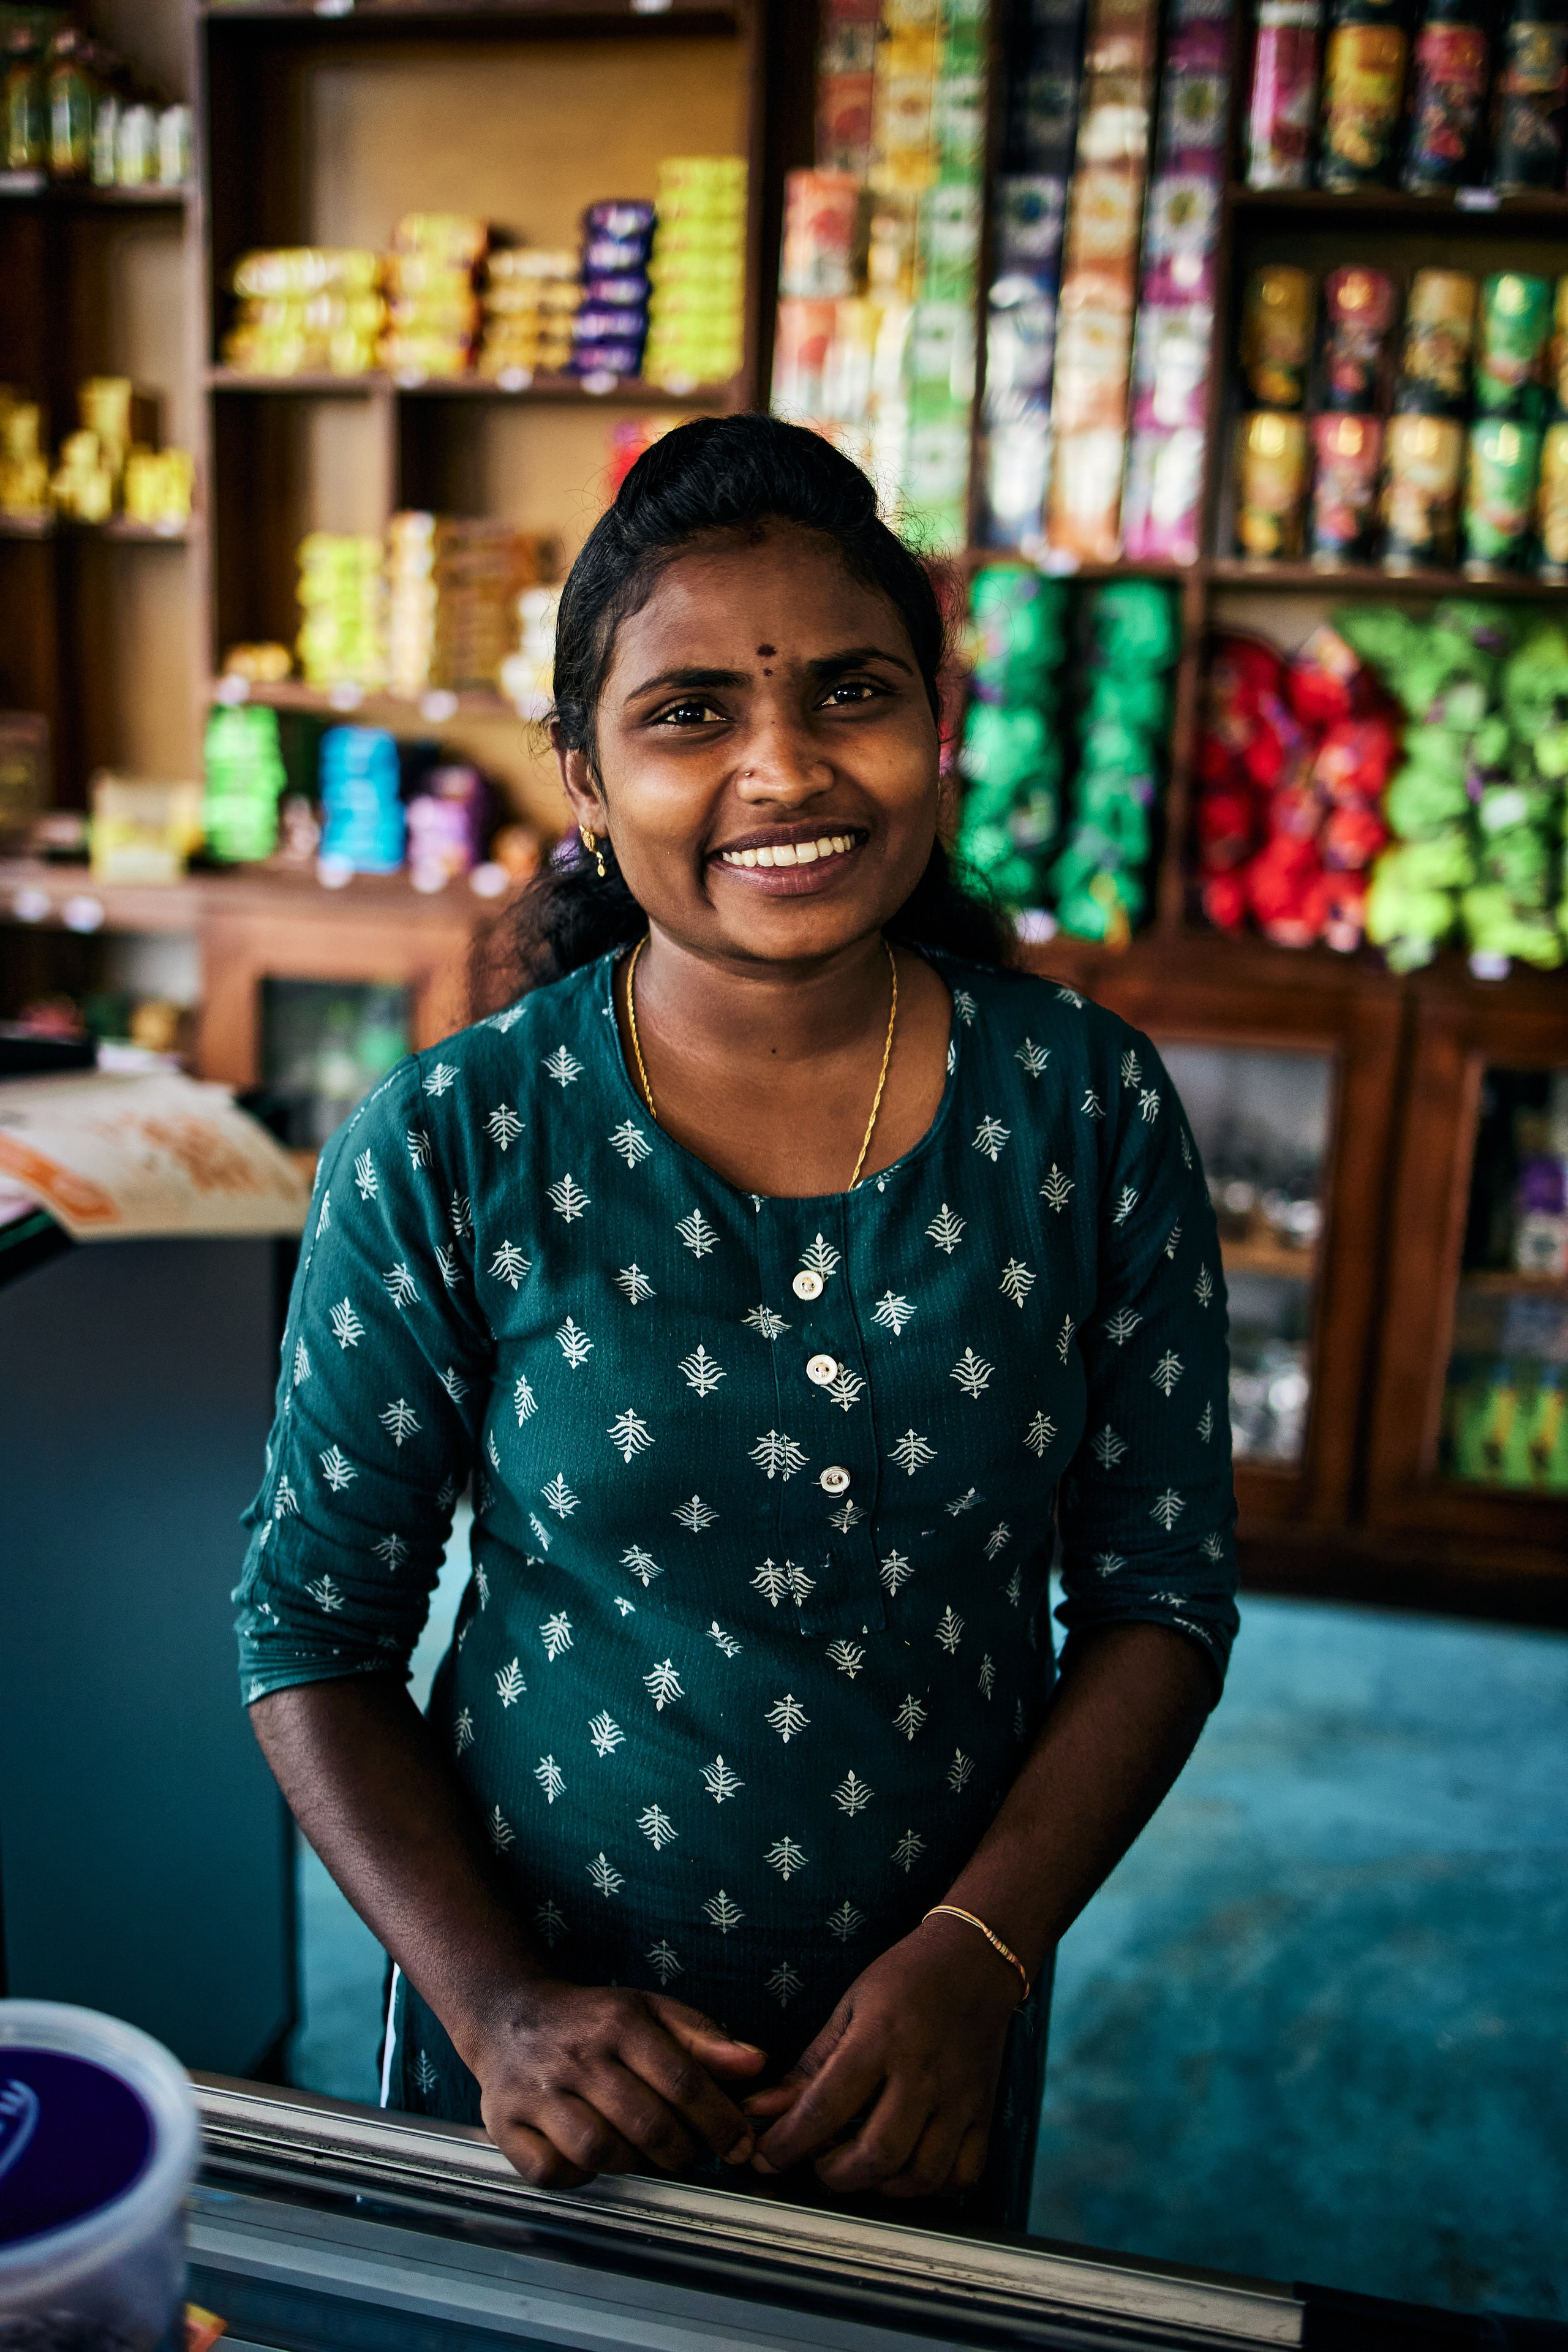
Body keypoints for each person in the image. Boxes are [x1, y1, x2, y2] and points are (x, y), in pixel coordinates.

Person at [237, 413, 1237, 2230]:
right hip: (538, 2051)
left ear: (937, 726)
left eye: (851, 693)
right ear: (589, 782)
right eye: (689, 712)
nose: (785, 768)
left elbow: (1161, 1597)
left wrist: (979, 1960)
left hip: (922, 2047)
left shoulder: (1087, 1110)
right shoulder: (455, 1140)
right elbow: (307, 1629)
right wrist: (499, 2009)